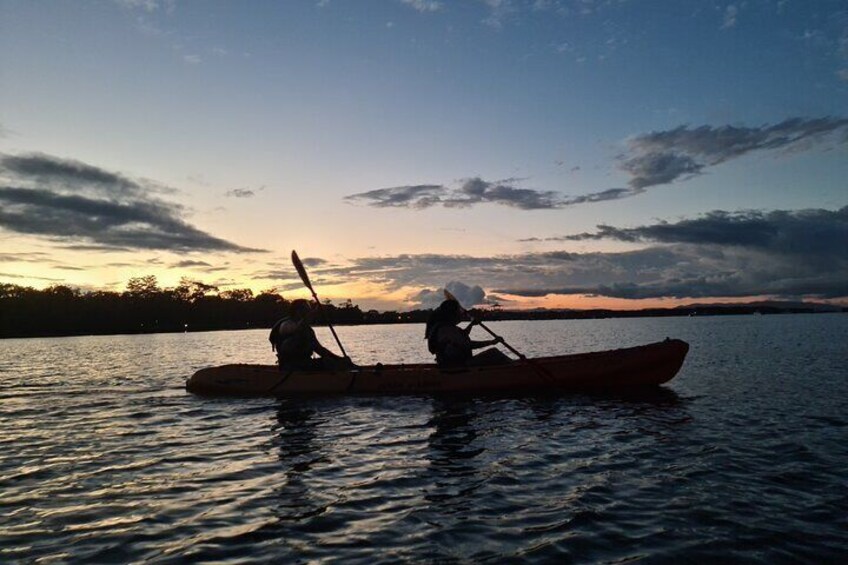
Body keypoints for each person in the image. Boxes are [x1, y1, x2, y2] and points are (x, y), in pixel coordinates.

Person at [424, 299, 511, 368]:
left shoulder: (447, 327)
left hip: (455, 364)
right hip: (456, 366)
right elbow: (468, 344)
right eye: (458, 311)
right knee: (494, 353)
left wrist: (471, 325)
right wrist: (492, 342)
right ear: (452, 314)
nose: (460, 314)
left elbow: (462, 336)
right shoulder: (446, 329)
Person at [269, 299, 350, 370]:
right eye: (306, 310)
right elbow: (296, 329)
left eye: (308, 310)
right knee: (328, 363)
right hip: (290, 366)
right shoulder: (286, 325)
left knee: (331, 361)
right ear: (297, 311)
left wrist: (339, 359)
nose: (308, 312)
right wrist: (306, 320)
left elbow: (319, 349)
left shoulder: (307, 330)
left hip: (305, 364)